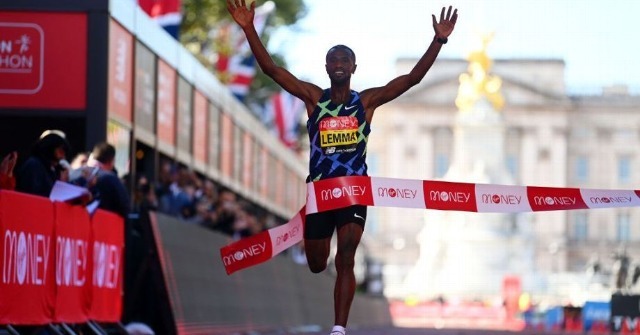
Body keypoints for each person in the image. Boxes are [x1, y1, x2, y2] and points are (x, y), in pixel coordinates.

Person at [227, 1, 458, 334]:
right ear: (326, 66)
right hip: (320, 193)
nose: (338, 64)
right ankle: (321, 266)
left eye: (344, 59)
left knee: (347, 255)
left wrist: (438, 41)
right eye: (333, 59)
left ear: (353, 66)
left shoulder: (365, 102)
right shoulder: (313, 99)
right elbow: (272, 71)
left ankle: (339, 328)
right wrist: (249, 28)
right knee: (318, 264)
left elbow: (411, 79)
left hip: (353, 191)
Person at [16, 130, 70, 197]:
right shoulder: (34, 165)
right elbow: (32, 194)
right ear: (49, 147)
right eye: (60, 149)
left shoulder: (54, 170)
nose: (63, 154)